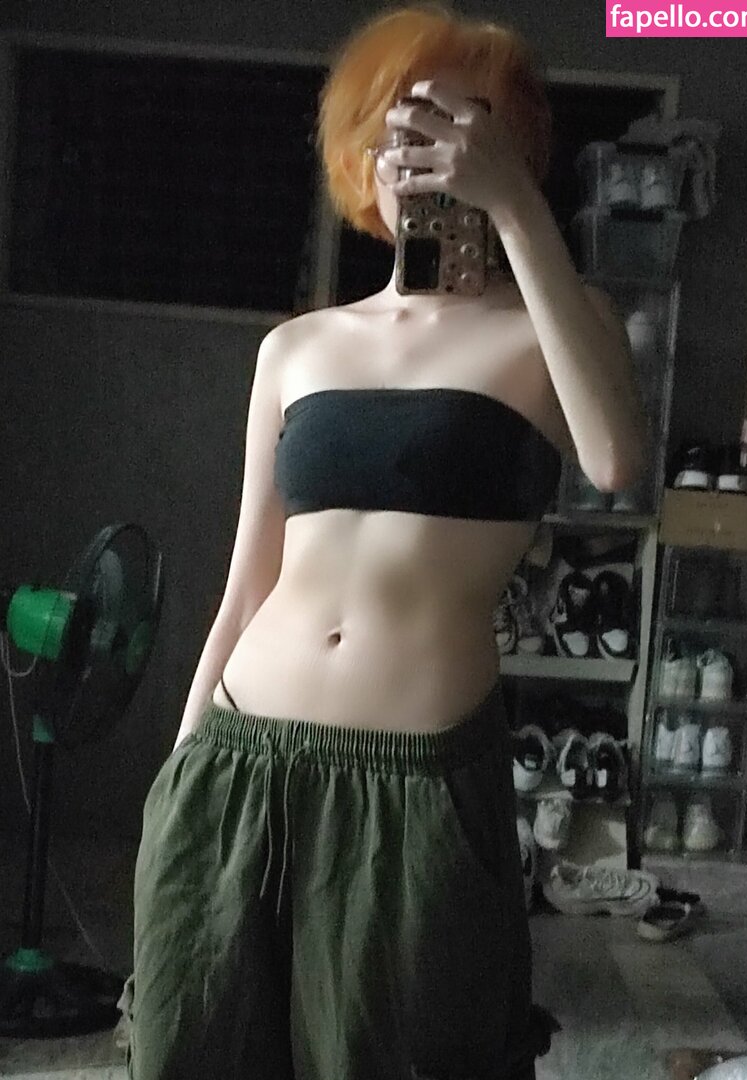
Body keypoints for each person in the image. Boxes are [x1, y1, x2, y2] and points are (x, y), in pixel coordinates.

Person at [123, 5, 648, 1079]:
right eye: (402, 126)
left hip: (415, 788)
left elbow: (614, 459)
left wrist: (517, 211)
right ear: (365, 150)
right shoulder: (299, 347)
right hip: (238, 762)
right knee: (198, 1050)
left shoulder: (552, 329)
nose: (427, 151)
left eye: (462, 125)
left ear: (510, 146)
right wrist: (175, 787)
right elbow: (247, 585)